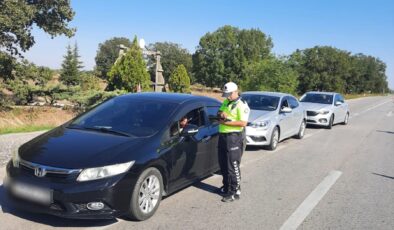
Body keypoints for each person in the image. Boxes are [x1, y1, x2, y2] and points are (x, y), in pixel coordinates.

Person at [217, 82, 250, 202]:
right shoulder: (227, 102)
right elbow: (219, 113)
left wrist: (225, 122)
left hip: (234, 137)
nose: (227, 96)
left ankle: (234, 191)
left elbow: (243, 123)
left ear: (235, 92)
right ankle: (226, 187)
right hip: (223, 136)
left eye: (229, 94)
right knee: (223, 164)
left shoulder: (242, 105)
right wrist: (222, 114)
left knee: (233, 165)